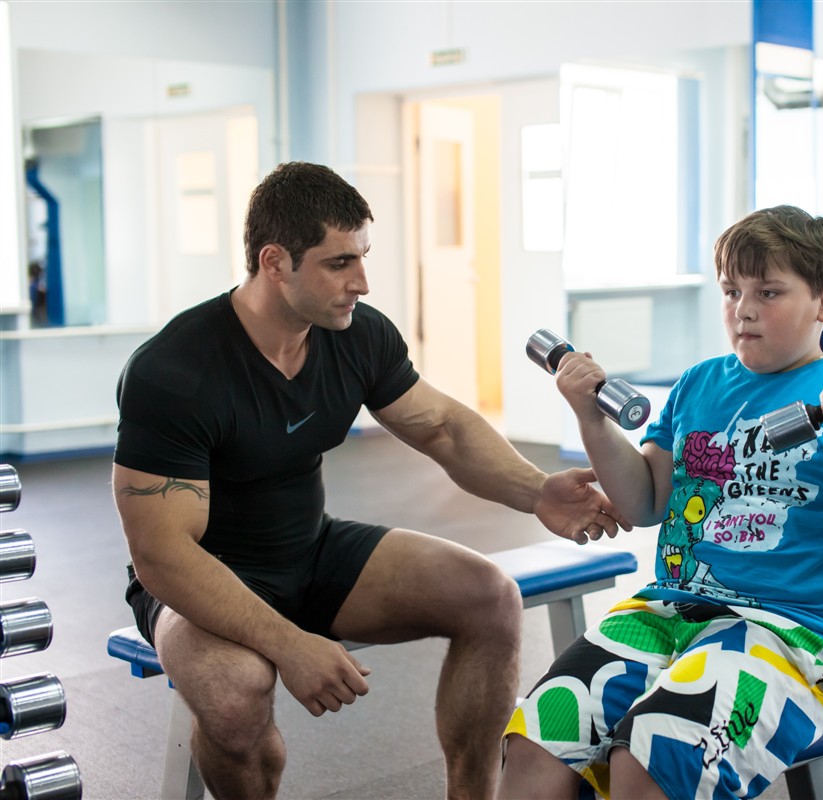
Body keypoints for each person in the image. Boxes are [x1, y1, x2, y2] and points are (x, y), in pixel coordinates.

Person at [111, 161, 628, 800]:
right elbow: (163, 555)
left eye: (362, 257)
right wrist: (290, 644)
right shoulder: (174, 371)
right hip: (201, 577)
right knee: (234, 694)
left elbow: (442, 427)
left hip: (310, 551)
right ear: (274, 263)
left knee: (490, 596)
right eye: (339, 263)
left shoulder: (355, 334)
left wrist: (536, 490)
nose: (361, 281)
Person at [499, 205, 823, 800]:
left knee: (650, 758)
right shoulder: (698, 384)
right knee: (538, 736)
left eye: (768, 292)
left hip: (789, 634)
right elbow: (645, 502)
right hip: (666, 612)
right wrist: (591, 419)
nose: (743, 309)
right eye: (732, 291)